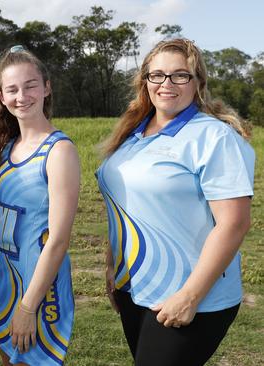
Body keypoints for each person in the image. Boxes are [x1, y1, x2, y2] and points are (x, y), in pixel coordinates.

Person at [96, 38, 254, 366]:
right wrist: (113, 265)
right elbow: (124, 203)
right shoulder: (133, 134)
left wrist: (189, 296)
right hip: (134, 289)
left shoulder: (214, 137)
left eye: (180, 75)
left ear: (198, 83)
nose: (167, 84)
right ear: (145, 81)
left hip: (189, 298)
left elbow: (234, 223)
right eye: (157, 75)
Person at [0, 45, 80, 366]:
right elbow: (2, 229)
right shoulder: (6, 148)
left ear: (46, 88)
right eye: (13, 89)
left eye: (31, 85)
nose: (23, 95)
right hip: (7, 281)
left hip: (39, 289)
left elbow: (59, 239)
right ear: (2, 97)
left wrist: (28, 307)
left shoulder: (59, 151)